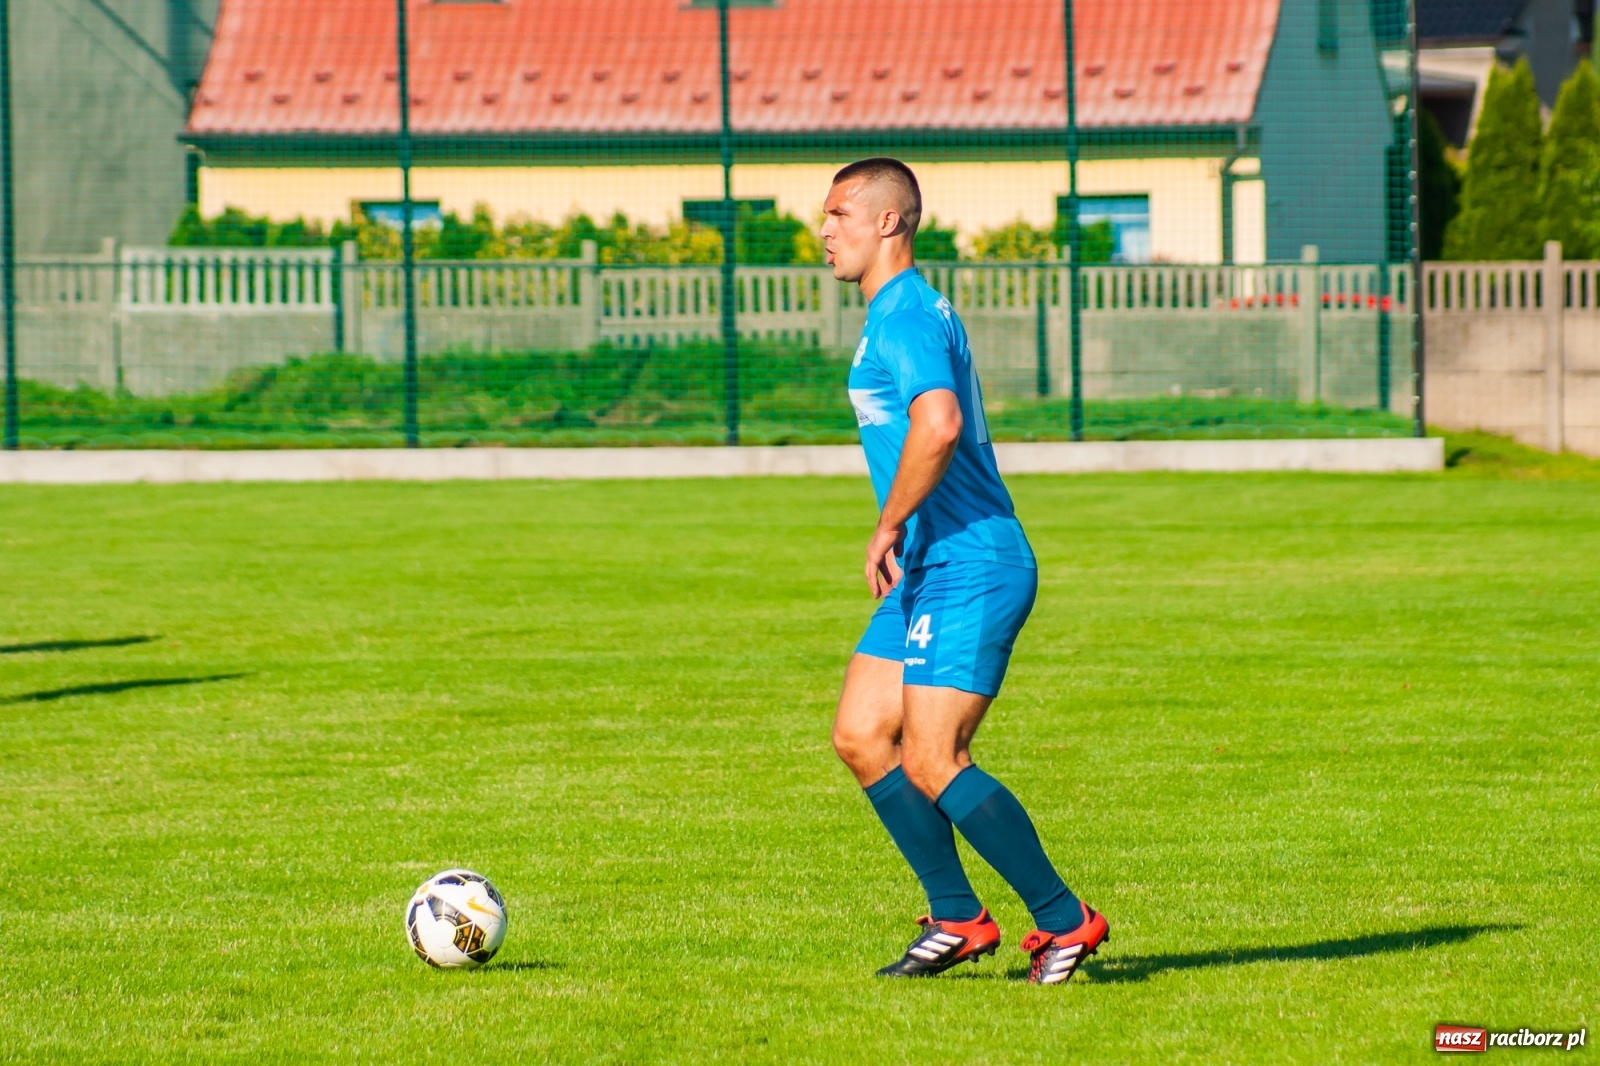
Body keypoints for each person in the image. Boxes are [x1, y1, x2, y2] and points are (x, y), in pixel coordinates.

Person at [820, 158, 1108, 985]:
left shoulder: (905, 312)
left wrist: (888, 519)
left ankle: (1066, 922)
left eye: (840, 213)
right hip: (930, 565)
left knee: (933, 757)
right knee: (862, 735)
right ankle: (958, 918)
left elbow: (938, 423)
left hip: (970, 560)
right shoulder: (899, 312)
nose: (825, 231)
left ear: (888, 223)